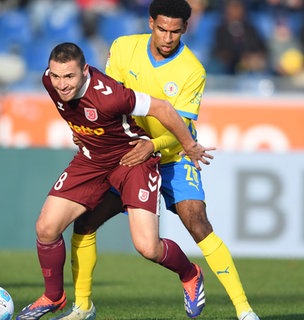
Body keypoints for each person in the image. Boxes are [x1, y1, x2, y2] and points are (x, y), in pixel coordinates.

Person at [55, 0, 260, 319]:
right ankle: (82, 307)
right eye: (162, 29)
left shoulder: (192, 70)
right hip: (127, 155)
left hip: (171, 155)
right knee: (85, 222)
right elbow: (109, 104)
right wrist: (92, 131)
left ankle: (244, 311)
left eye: (175, 31)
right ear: (151, 23)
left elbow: (181, 128)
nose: (167, 37)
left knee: (198, 223)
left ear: (185, 29)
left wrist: (152, 145)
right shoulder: (123, 48)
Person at [15, 42, 214, 320]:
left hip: (132, 161)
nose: (62, 84)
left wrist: (189, 145)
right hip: (91, 160)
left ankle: (190, 273)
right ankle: (54, 296)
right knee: (46, 228)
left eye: (69, 76)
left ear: (84, 71)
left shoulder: (111, 95)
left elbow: (163, 108)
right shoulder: (49, 82)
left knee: (147, 247)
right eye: (57, 76)